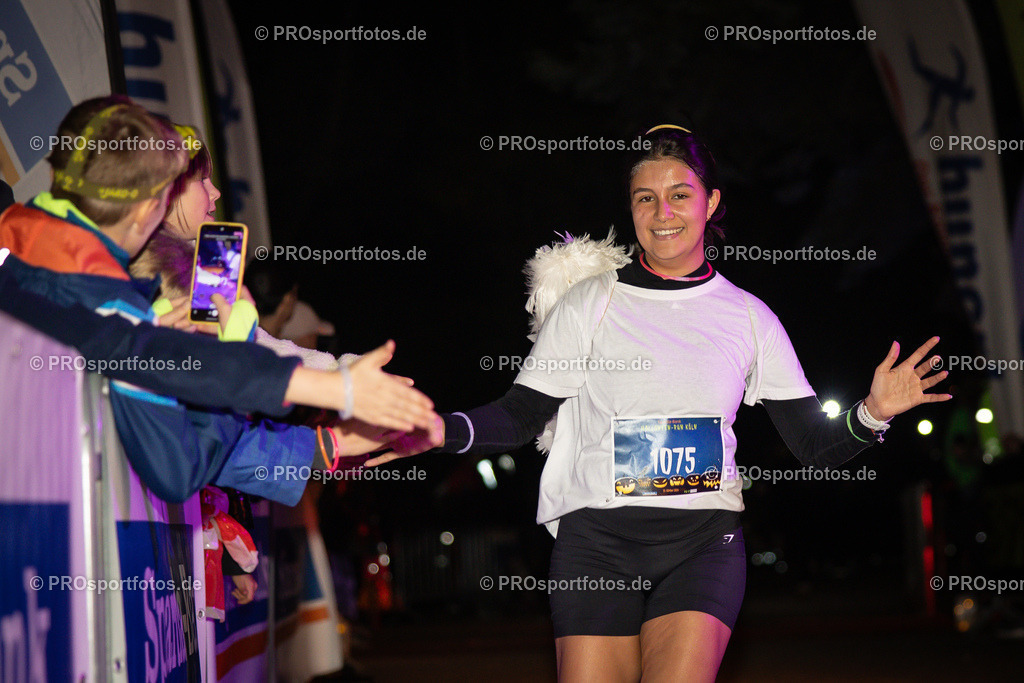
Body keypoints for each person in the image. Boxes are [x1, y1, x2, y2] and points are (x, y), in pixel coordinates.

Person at [366, 125, 951, 681]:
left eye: (679, 194)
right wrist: (431, 430)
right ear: (631, 208)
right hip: (596, 545)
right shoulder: (587, 305)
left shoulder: (748, 318)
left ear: (711, 202)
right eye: (646, 198)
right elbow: (520, 415)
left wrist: (874, 412)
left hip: (703, 544)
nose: (662, 213)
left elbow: (813, 445)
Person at [0, 95, 437, 504]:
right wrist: (244, 355)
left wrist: (330, 441)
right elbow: (177, 460)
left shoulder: (20, 244)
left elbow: (167, 371)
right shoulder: (115, 303)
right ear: (146, 210)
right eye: (188, 182)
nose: (214, 193)